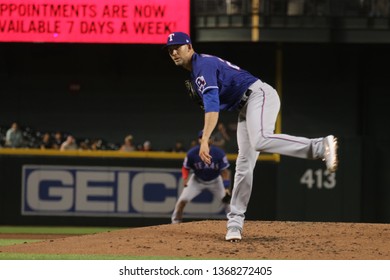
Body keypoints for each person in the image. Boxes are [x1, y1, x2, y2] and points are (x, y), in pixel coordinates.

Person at [165, 32, 338, 242]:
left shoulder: (203, 66)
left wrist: (204, 140)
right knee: (244, 165)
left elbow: (212, 107)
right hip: (245, 107)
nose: (174, 51)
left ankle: (319, 147)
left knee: (261, 139)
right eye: (170, 49)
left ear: (190, 47)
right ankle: (235, 224)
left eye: (178, 47)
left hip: (259, 95)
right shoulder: (196, 72)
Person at [171, 130, 231, 224]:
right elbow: (185, 168)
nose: (205, 139)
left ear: (212, 139)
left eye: (208, 137)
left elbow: (225, 172)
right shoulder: (192, 153)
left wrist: (226, 188)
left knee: (228, 202)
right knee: (182, 200)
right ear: (199, 140)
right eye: (202, 137)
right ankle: (175, 222)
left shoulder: (219, 153)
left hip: (215, 181)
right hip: (197, 181)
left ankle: (234, 223)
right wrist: (185, 177)